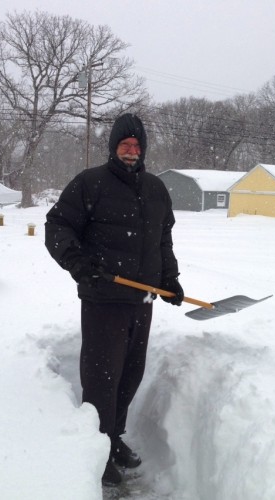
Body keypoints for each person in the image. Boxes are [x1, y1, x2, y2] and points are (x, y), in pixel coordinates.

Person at [44, 113, 184, 487]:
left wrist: (169, 278)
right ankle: (97, 448)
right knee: (102, 376)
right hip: (103, 297)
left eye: (137, 145)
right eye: (125, 144)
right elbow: (57, 226)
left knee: (129, 374)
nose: (131, 150)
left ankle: (113, 436)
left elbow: (162, 241)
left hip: (141, 300)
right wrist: (77, 262)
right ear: (113, 146)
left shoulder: (156, 189)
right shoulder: (90, 184)